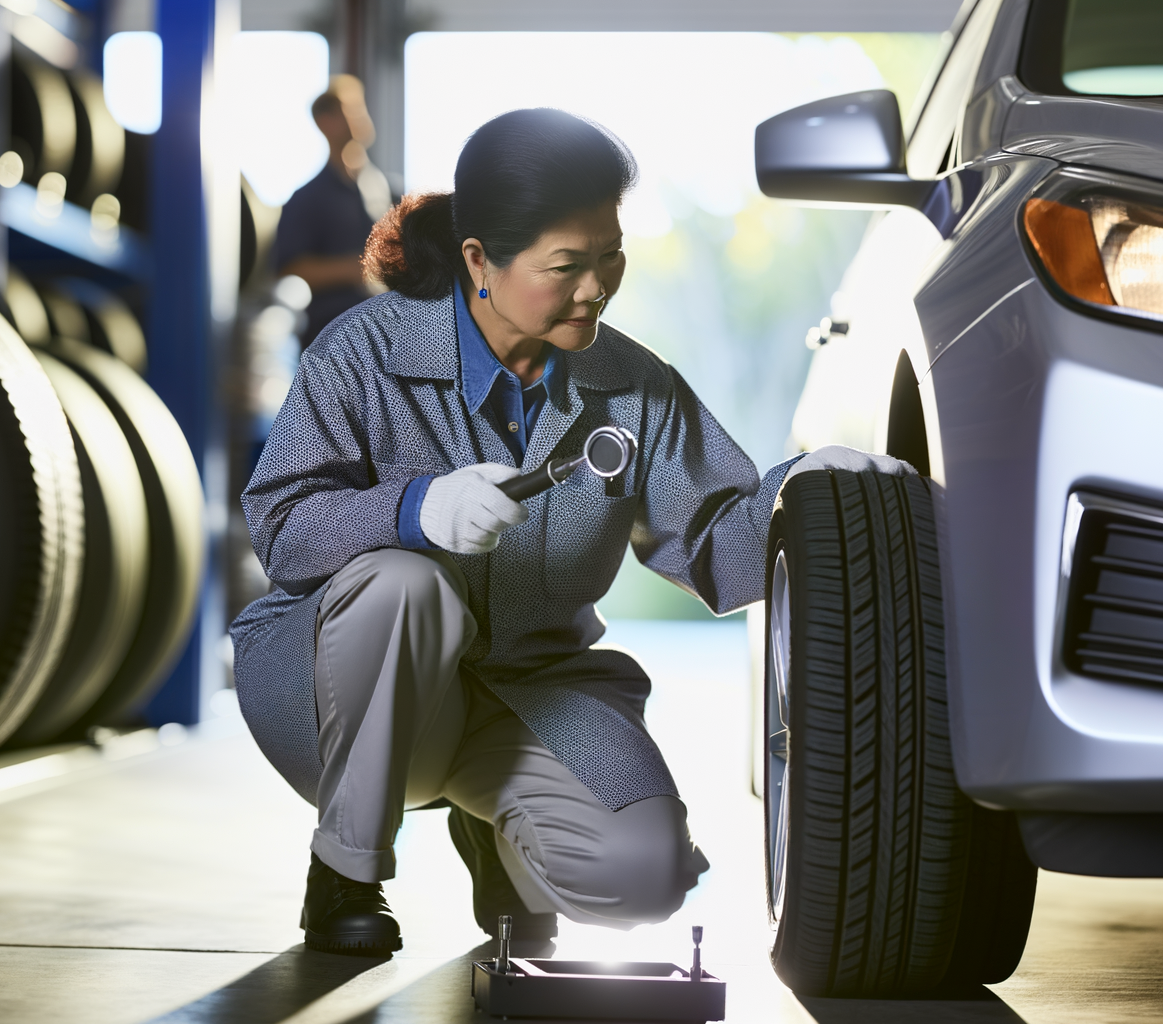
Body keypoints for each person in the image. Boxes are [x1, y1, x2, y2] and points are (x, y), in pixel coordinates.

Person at [231, 108, 909, 956]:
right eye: (567, 267)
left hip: (528, 691)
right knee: (406, 585)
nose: (596, 287)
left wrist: (802, 495)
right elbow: (283, 529)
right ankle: (345, 870)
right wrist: (413, 509)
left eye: (610, 258)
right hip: (338, 691)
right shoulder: (360, 354)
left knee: (643, 877)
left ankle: (493, 831)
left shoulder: (633, 386)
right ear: (479, 261)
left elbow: (716, 547)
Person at [272, 75, 394, 347]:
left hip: (383, 336)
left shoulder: (380, 188)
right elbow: (290, 268)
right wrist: (353, 268)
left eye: (359, 107)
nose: (359, 116)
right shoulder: (308, 198)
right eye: (349, 110)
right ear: (325, 123)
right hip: (334, 340)